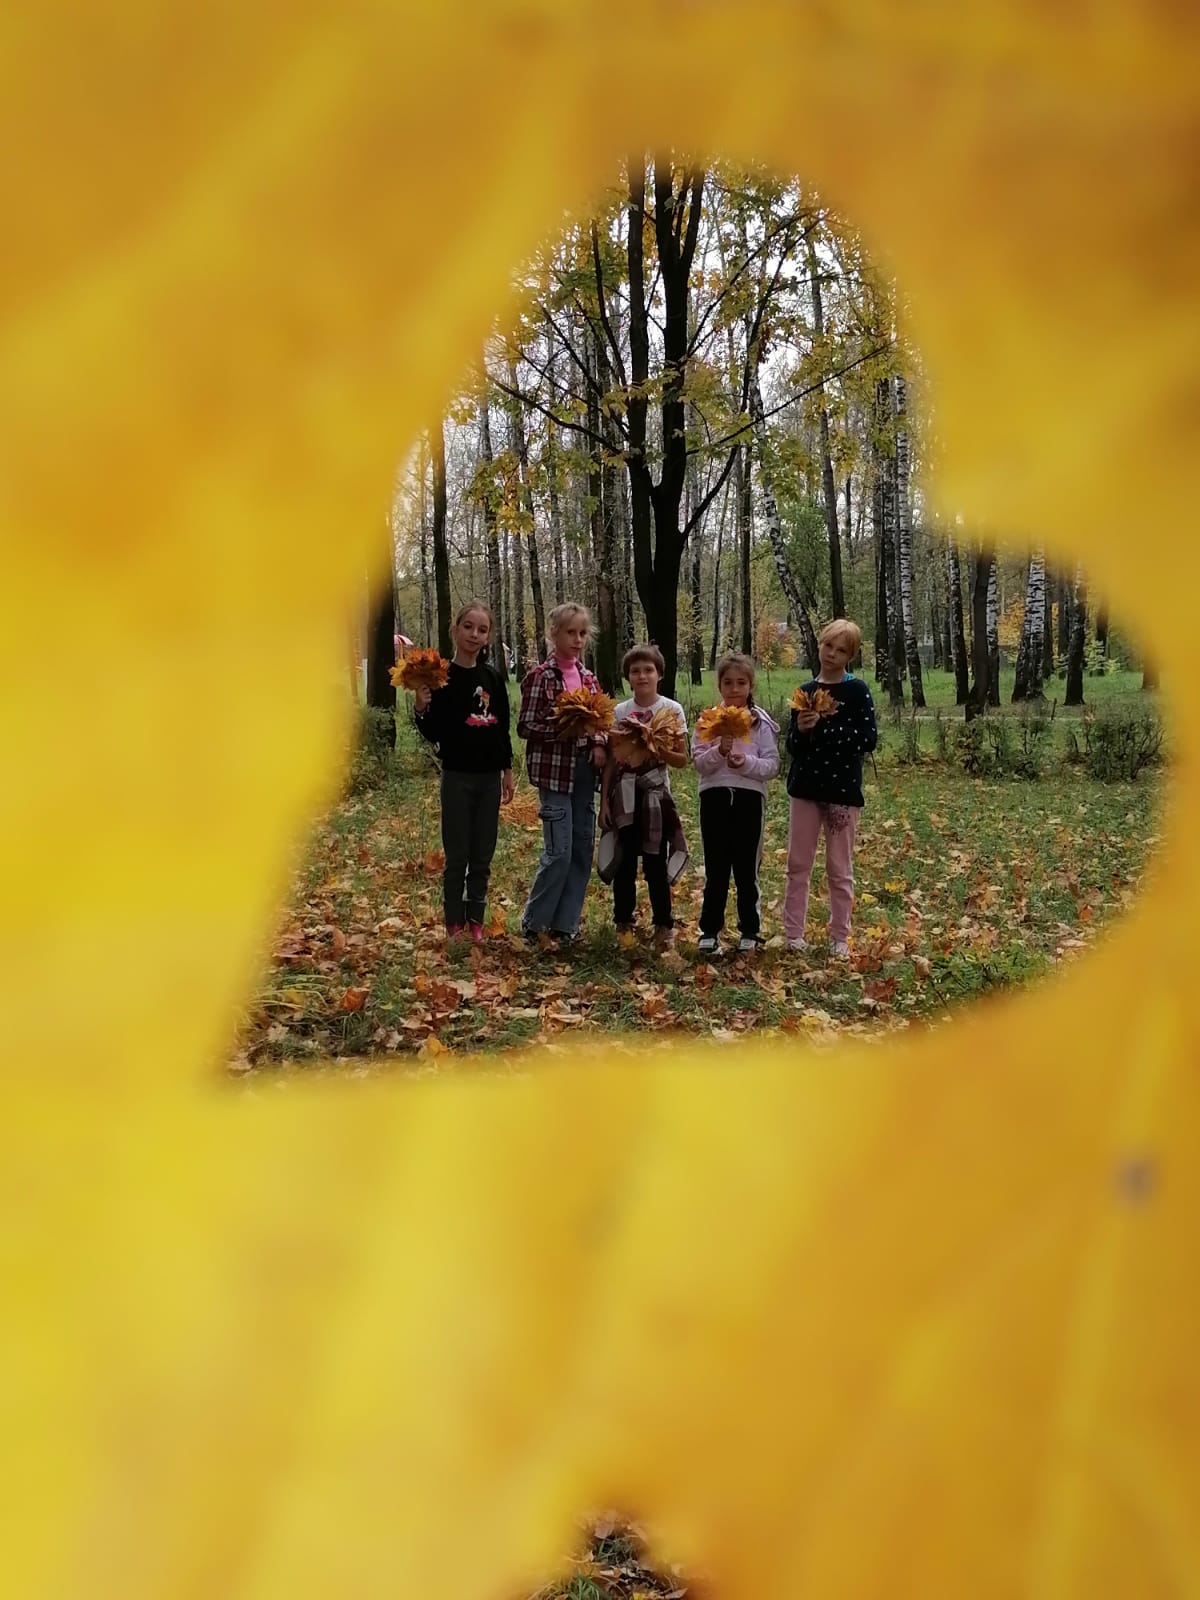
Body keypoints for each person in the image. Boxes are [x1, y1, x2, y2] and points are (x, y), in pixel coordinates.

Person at [414, 600, 514, 943]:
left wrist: (508, 771)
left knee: (482, 855)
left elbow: (502, 728)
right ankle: (453, 921)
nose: (474, 634)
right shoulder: (440, 679)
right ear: (455, 630)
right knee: (457, 855)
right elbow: (434, 732)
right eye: (468, 627)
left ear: (488, 637)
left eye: (482, 629)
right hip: (457, 776)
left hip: (488, 779)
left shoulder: (492, 678)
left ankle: (476, 921)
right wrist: (421, 709)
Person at [783, 617, 879, 958]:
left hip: (842, 792)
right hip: (805, 789)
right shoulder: (804, 692)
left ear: (850, 656)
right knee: (798, 864)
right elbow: (792, 746)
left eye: (841, 650)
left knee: (839, 868)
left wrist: (825, 729)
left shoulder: (857, 691)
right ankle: (793, 934)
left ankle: (840, 936)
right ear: (819, 645)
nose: (832, 655)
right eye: (828, 646)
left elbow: (868, 739)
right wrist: (804, 731)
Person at [518, 602, 607, 943]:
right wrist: (562, 730)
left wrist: (599, 743)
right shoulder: (540, 677)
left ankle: (565, 925)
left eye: (583, 633)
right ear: (553, 634)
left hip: (585, 772)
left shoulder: (589, 678)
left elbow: (600, 720)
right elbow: (525, 725)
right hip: (555, 774)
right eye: (570, 632)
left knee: (583, 847)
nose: (577, 639)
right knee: (559, 851)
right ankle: (535, 923)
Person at [598, 644, 689, 950]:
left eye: (648, 670)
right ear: (628, 677)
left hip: (655, 795)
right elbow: (612, 759)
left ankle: (663, 924)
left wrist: (653, 746)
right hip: (624, 793)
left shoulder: (671, 709)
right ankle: (623, 922)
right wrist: (604, 802)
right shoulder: (620, 711)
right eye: (635, 671)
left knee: (654, 861)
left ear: (659, 674)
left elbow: (680, 759)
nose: (642, 676)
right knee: (624, 862)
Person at [692, 652, 779, 955]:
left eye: (741, 682)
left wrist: (747, 763)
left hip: (748, 798)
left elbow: (771, 765)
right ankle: (709, 930)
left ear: (750, 685)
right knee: (716, 866)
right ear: (719, 685)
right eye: (728, 682)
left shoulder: (760, 723)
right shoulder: (708, 721)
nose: (734, 689)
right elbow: (699, 763)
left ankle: (750, 931)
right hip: (714, 797)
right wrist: (718, 751)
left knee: (745, 867)